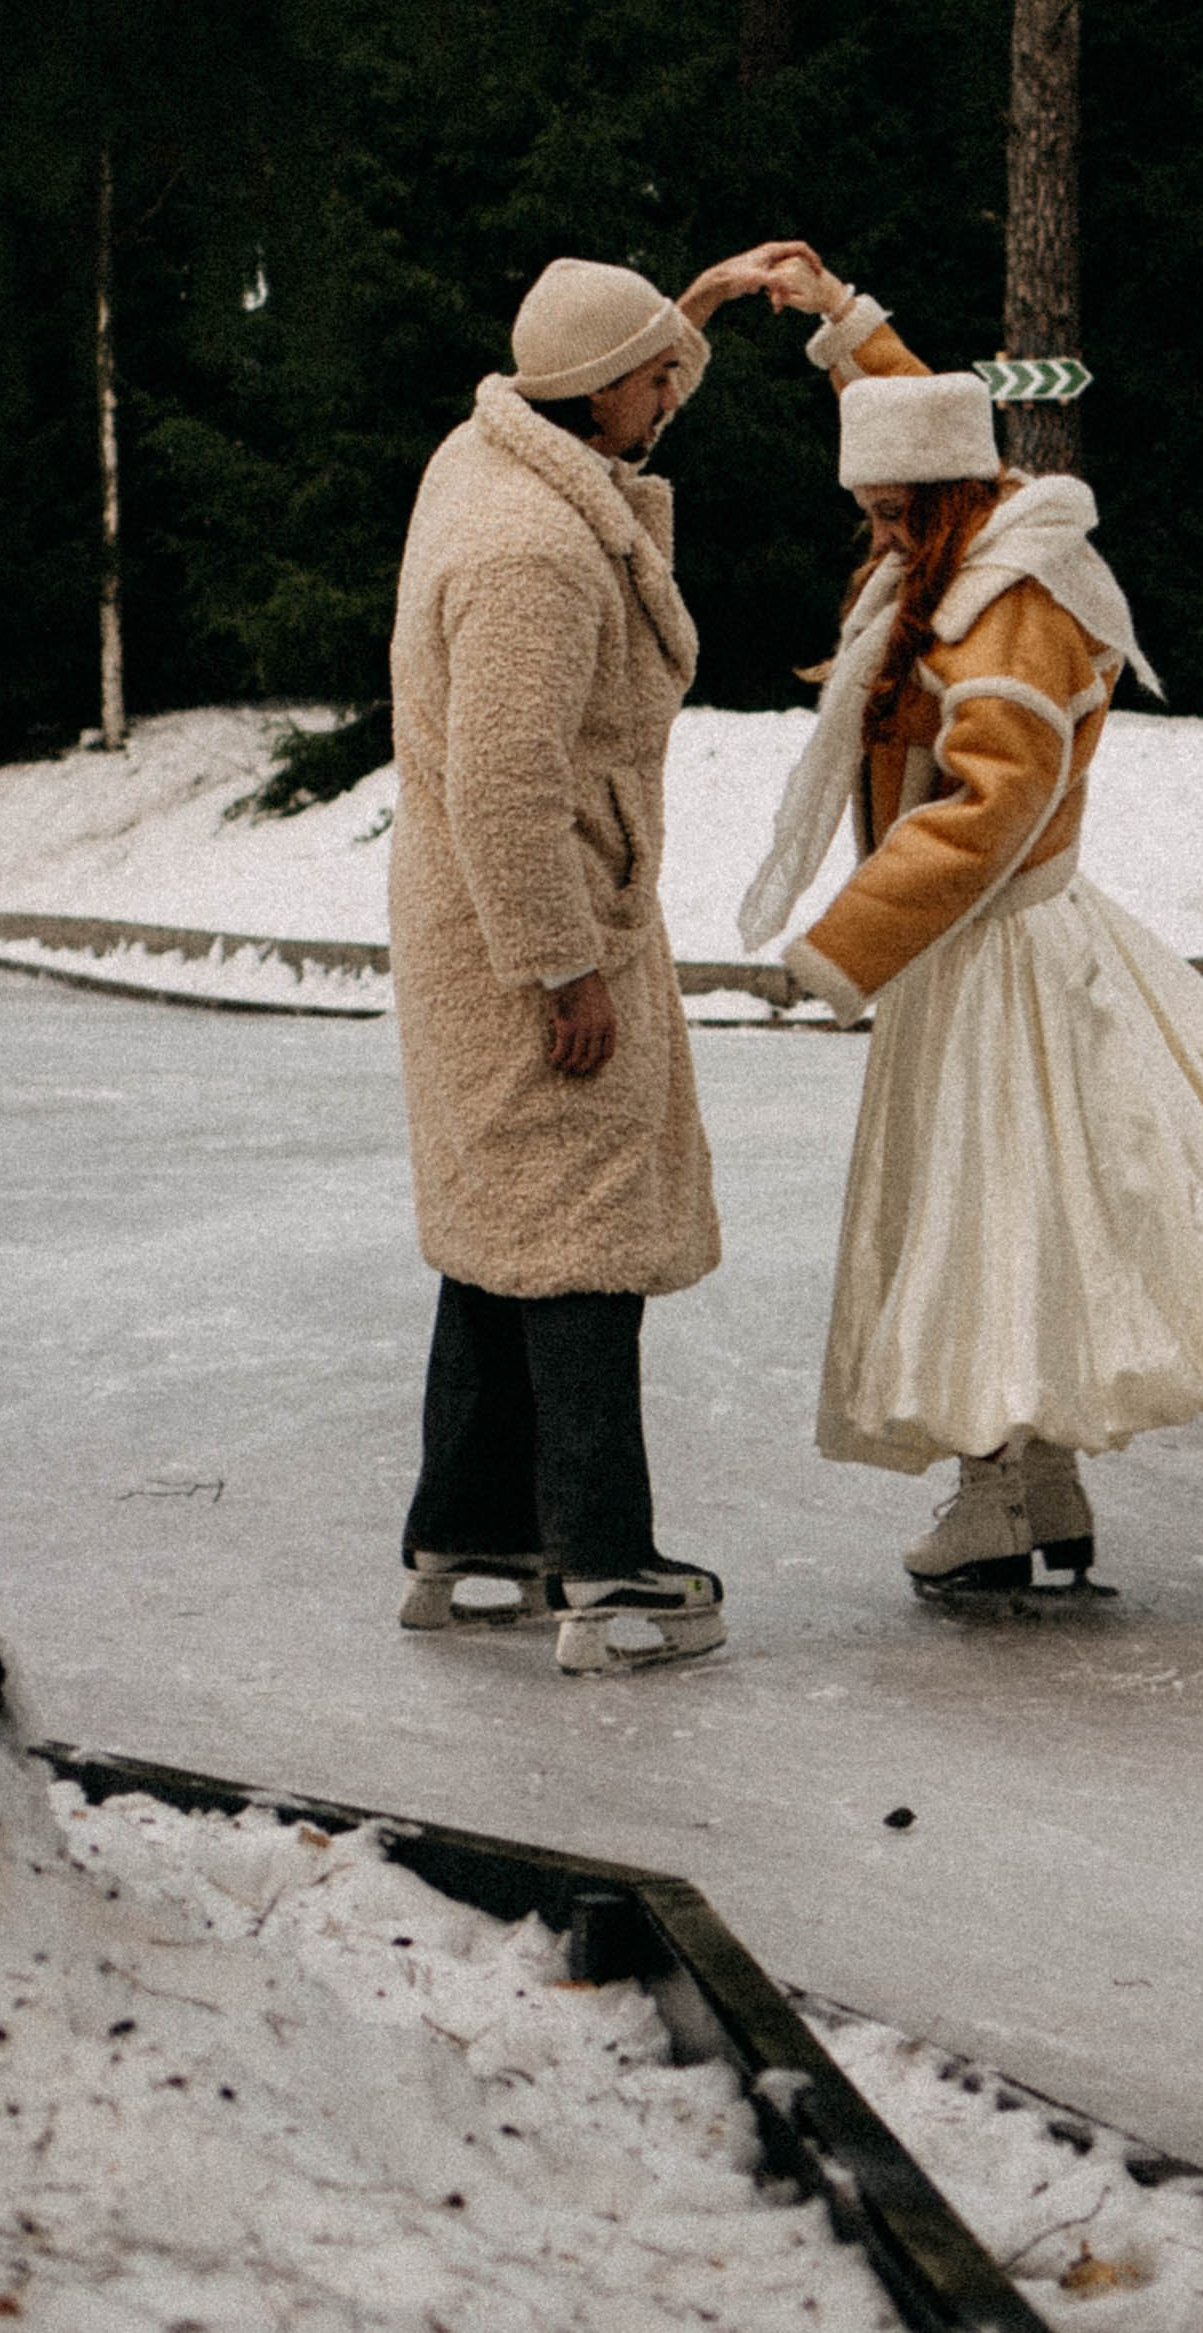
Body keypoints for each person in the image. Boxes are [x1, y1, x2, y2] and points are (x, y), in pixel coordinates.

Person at [741, 264, 1203, 1600]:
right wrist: (835, 317)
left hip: (997, 952)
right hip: (991, 949)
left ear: (952, 501)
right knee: (1024, 1217)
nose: (881, 536)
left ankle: (1002, 1489)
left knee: (985, 1220)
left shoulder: (1008, 599)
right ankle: (1034, 1481)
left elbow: (993, 805)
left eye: (897, 515)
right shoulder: (972, 533)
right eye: (868, 512)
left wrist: (847, 937)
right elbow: (923, 413)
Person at [389, 240, 809, 1673]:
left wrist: (683, 312)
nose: (663, 399)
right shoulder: (533, 550)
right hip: (533, 919)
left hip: (490, 916)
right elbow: (506, 781)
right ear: (595, 393)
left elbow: (615, 381)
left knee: (501, 1221)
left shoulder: (485, 456)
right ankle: (605, 1565)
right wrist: (562, 967)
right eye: (648, 378)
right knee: (575, 1237)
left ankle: (471, 1531)